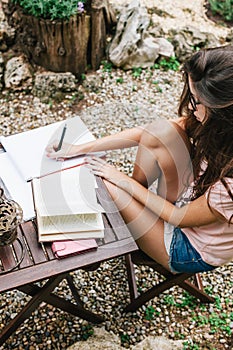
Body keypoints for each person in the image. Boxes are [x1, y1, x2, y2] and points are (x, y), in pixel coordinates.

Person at [46, 45, 233, 274]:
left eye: (197, 101)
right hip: (190, 197)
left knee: (106, 183)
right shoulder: (219, 130)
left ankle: (120, 216)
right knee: (162, 131)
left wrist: (123, 181)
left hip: (185, 246)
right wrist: (79, 148)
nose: (191, 107)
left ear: (225, 115)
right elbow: (150, 132)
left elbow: (179, 217)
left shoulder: (229, 185)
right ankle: (130, 212)